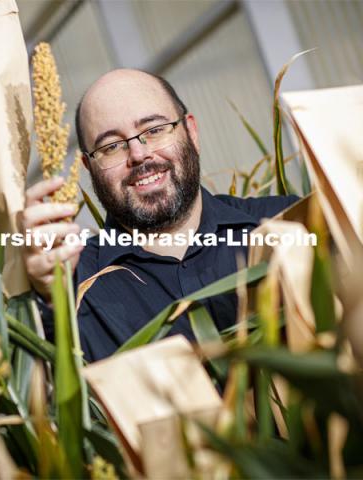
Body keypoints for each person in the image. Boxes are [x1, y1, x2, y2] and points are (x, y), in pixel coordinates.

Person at [21, 69, 298, 362]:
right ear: (88, 168)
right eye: (111, 146)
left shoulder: (290, 223)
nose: (138, 154)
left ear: (191, 132)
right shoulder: (69, 287)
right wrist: (48, 301)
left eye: (154, 130)